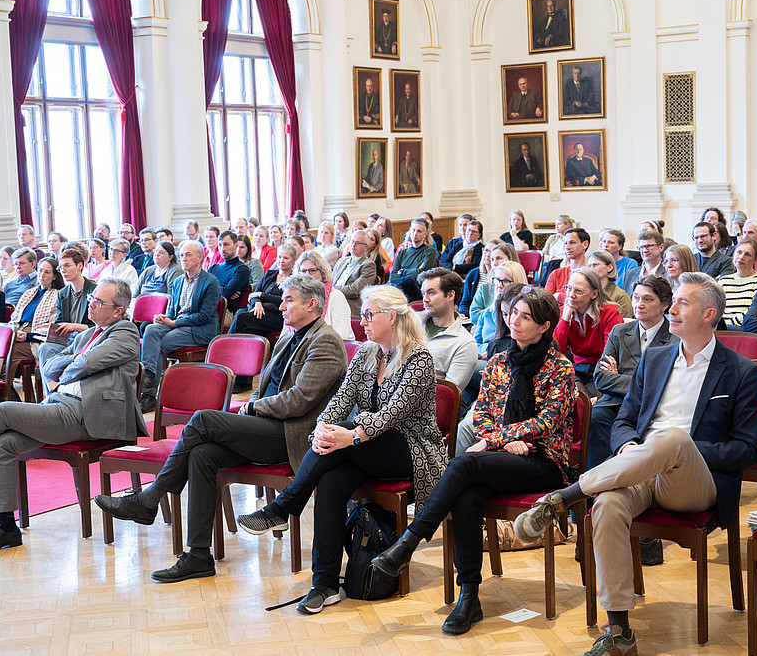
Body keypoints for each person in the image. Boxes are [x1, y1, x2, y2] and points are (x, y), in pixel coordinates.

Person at [513, 272, 757, 656]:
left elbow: (746, 449)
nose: (673, 308)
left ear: (709, 313)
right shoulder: (656, 357)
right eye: (673, 300)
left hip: (696, 482)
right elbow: (625, 418)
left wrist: (683, 450)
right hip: (641, 468)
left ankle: (566, 495)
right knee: (609, 505)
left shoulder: (741, 371)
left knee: (674, 439)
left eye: (683, 303)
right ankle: (620, 632)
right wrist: (629, 444)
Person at [93, 275, 347, 582]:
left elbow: (299, 401)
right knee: (202, 454)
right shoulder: (288, 336)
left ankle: (150, 498)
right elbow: (261, 388)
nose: (280, 306)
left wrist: (252, 407)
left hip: (290, 436)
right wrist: (254, 404)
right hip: (264, 426)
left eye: (288, 299)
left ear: (312, 303)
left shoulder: (326, 341)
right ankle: (199, 555)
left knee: (203, 419)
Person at [371, 287, 576, 635]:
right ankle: (470, 595)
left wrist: (502, 438)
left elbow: (547, 423)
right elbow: (480, 415)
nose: (514, 320)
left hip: (544, 463)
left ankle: (409, 541)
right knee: (466, 495)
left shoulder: (560, 369)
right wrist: (506, 440)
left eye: (525, 317)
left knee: (465, 462)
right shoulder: (498, 362)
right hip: (502, 458)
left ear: (545, 326)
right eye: (512, 313)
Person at [236, 285, 446, 615]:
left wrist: (352, 435)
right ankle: (326, 584)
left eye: (368, 314)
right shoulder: (365, 354)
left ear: (391, 317)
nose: (362, 321)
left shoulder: (418, 359)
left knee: (343, 433)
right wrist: (323, 427)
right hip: (367, 447)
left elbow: (394, 416)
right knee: (332, 480)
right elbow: (340, 401)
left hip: (411, 451)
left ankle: (284, 506)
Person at [0, 279, 146, 556]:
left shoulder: (126, 332)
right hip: (62, 404)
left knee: (1, 410)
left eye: (98, 302)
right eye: (91, 298)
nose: (91, 304)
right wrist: (70, 366)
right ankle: (6, 527)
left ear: (118, 311)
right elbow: (51, 363)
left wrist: (69, 369)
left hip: (91, 415)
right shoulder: (86, 335)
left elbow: (86, 363)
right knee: (4, 444)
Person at [589, 275, 677, 469]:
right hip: (615, 403)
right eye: (636, 297)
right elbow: (601, 378)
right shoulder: (619, 331)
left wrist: (618, 376)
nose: (639, 304)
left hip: (652, 407)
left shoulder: (674, 338)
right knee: (596, 417)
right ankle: (595, 485)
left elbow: (665, 384)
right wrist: (642, 383)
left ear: (664, 305)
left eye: (647, 299)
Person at [139, 241, 222, 412]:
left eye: (188, 254)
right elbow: (172, 310)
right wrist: (165, 318)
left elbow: (205, 316)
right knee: (151, 329)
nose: (183, 258)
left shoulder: (210, 282)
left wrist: (174, 323)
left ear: (200, 257)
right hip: (177, 324)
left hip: (199, 329)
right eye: (182, 255)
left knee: (159, 343)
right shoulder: (178, 281)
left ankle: (149, 393)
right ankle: (148, 378)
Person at [554, 267, 623, 394]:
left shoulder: (609, 313)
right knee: (565, 382)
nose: (571, 295)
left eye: (578, 291)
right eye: (568, 288)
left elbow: (611, 354)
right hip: (577, 370)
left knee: (578, 396)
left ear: (594, 294)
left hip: (601, 370)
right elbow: (557, 353)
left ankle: (586, 406)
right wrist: (565, 320)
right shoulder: (564, 313)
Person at [416, 268, 477, 389]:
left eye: (431, 293)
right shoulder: (411, 321)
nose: (425, 299)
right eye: (424, 293)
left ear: (450, 295)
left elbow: (447, 395)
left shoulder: (464, 344)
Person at [37, 249, 98, 371]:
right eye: (60, 268)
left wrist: (75, 326)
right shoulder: (62, 293)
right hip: (68, 339)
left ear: (80, 265)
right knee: (44, 348)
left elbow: (98, 326)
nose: (63, 270)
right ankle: (51, 389)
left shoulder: (95, 290)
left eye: (67, 266)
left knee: (75, 346)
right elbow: (59, 322)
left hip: (87, 338)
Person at [7, 257, 63, 376]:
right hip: (17, 333)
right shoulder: (29, 293)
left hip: (35, 339)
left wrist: (28, 336)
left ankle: (0, 390)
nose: (42, 275)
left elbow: (53, 331)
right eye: (40, 271)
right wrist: (12, 332)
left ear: (54, 276)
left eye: (47, 272)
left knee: (7, 352)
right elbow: (14, 319)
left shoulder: (58, 296)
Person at [229, 243, 296, 337]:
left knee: (242, 318)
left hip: (277, 315)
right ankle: (243, 349)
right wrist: (257, 303)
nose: (281, 260)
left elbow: (283, 299)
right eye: (279, 257)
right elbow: (254, 294)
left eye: (286, 258)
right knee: (242, 316)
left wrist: (262, 295)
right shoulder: (270, 274)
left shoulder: (294, 279)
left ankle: (226, 346)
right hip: (260, 310)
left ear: (294, 260)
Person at [294, 251, 354, 341]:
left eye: (312, 270)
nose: (307, 275)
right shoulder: (295, 298)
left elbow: (341, 337)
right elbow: (285, 336)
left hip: (331, 349)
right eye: (303, 271)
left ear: (323, 272)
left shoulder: (336, 297)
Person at [473, 260, 528, 357]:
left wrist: (494, 351)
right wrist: (487, 351)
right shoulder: (486, 313)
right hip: (485, 356)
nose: (499, 285)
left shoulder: (524, 315)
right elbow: (475, 344)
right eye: (497, 280)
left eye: (506, 281)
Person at [717, 239, 757, 330]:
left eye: (747, 254)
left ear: (755, 259)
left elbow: (756, 311)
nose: (741, 257)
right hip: (721, 327)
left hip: (745, 327)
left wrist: (726, 324)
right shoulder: (723, 280)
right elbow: (716, 308)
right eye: (739, 252)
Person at [465, 242, 516, 326]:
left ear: (510, 259)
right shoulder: (484, 287)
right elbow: (474, 316)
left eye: (499, 258)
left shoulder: (519, 287)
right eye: (492, 259)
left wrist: (488, 314)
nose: (494, 263)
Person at [208, 230, 251, 329]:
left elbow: (226, 293)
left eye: (226, 245)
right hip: (208, 306)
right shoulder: (214, 267)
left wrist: (217, 290)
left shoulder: (242, 269)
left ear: (236, 246)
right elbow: (201, 287)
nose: (222, 249)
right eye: (220, 245)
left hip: (225, 312)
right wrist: (223, 289)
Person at [389, 218, 439, 301]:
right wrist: (415, 270)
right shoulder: (402, 252)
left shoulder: (430, 251)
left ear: (425, 234)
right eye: (413, 230)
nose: (415, 234)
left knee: (409, 280)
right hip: (399, 289)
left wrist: (402, 271)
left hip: (417, 290)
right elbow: (392, 275)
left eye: (419, 231)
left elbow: (422, 274)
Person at [331, 229, 376, 317]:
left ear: (366, 247)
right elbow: (330, 280)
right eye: (352, 241)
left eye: (357, 243)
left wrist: (333, 290)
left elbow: (355, 290)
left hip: (349, 305)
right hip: (332, 300)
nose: (353, 245)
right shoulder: (341, 261)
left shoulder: (368, 265)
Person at [545, 227, 590, 301]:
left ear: (585, 244)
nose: (567, 247)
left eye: (572, 243)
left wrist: (559, 296)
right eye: (565, 243)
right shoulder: (556, 274)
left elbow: (587, 301)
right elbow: (546, 301)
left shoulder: (592, 274)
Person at [587, 251, 633, 318]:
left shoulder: (620, 296)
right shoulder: (586, 293)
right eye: (589, 266)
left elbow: (623, 326)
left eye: (595, 265)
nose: (591, 269)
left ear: (610, 267)